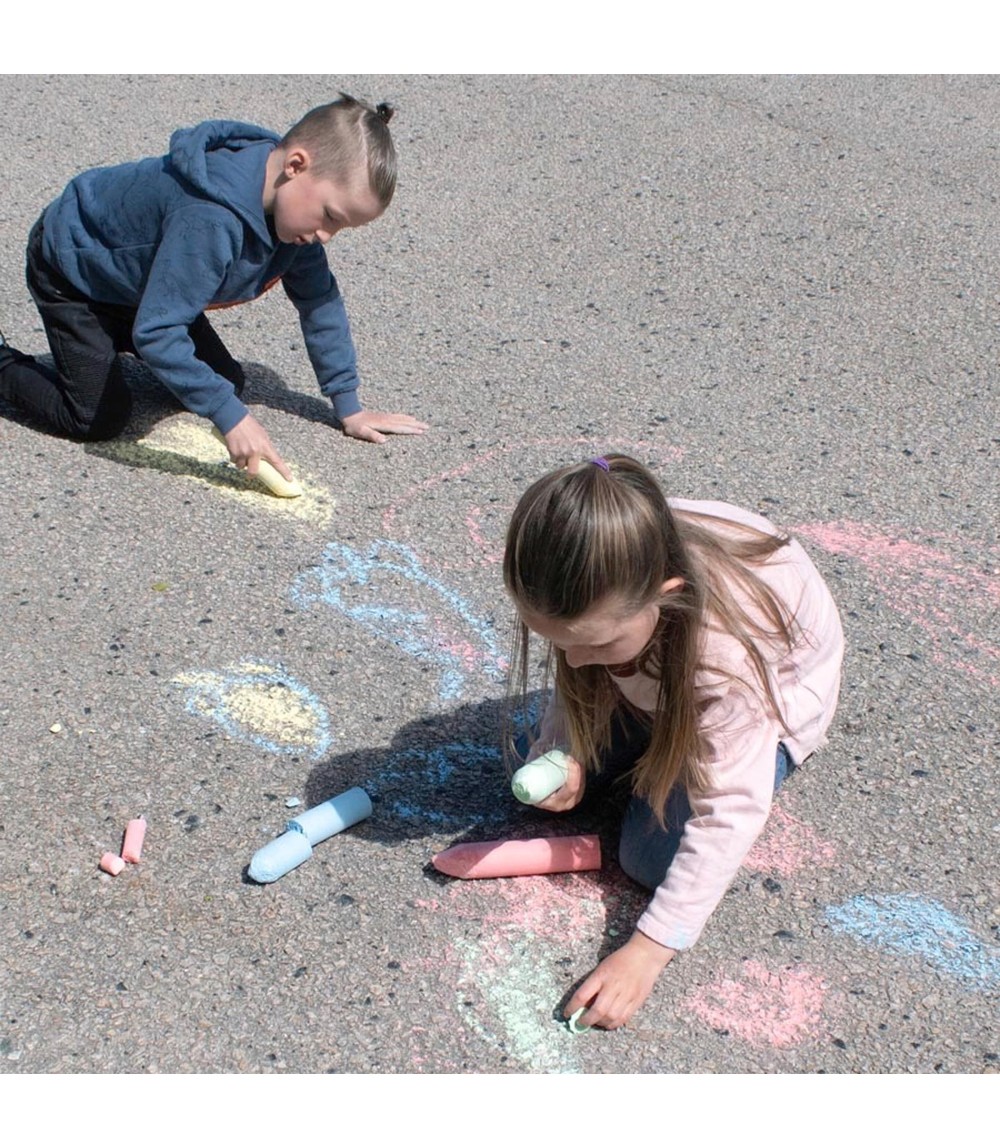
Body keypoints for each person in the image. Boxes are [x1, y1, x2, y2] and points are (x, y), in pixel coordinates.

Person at [503, 454, 844, 1030]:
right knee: (525, 760)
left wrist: (647, 951)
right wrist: (568, 745)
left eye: (597, 644)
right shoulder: (601, 576)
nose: (574, 660)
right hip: (659, 677)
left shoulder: (725, 662)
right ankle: (640, 751)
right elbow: (579, 663)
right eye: (557, 643)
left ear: (665, 595)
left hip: (767, 701)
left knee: (647, 859)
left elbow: (730, 811)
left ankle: (660, 758)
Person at [0, 94, 427, 480]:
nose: (327, 236)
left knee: (224, 380)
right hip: (75, 273)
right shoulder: (210, 220)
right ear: (295, 165)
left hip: (140, 279)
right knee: (98, 418)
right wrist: (232, 419)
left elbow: (320, 303)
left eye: (341, 227)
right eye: (331, 216)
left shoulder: (296, 218)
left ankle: (126, 328)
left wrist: (348, 405)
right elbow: (159, 333)